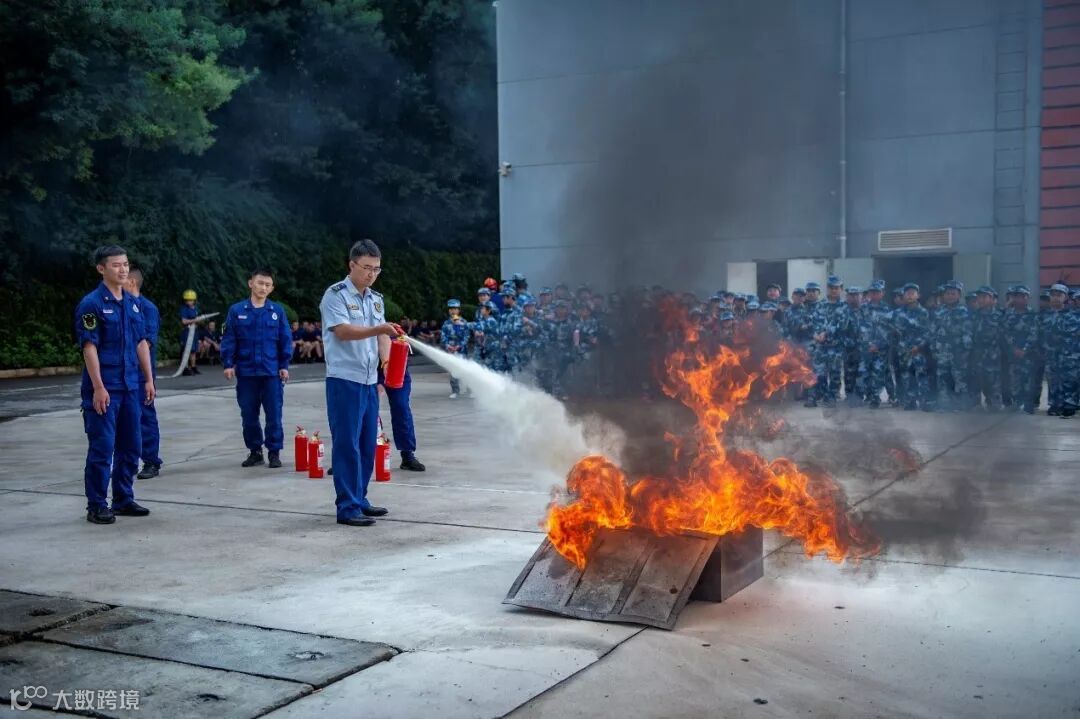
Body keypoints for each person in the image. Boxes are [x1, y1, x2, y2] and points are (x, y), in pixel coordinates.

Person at [320, 240, 404, 526]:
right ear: (352, 265)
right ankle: (347, 507)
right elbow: (343, 331)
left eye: (376, 269)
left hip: (369, 381)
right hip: (344, 379)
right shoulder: (335, 295)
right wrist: (379, 328)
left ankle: (360, 498)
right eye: (367, 267)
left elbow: (383, 336)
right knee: (347, 444)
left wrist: (387, 361)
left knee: (367, 443)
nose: (371, 274)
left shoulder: (375, 299)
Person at [75, 245, 156, 524]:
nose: (123, 270)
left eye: (125, 264)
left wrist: (148, 379)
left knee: (131, 446)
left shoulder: (133, 304)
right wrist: (98, 387)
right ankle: (97, 504)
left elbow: (141, 343)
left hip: (131, 387)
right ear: (101, 269)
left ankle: (123, 499)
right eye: (116, 265)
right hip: (105, 388)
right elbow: (89, 347)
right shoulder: (92, 304)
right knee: (102, 448)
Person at [220, 268, 293, 468]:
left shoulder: (277, 311)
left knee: (274, 415)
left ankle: (274, 452)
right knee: (249, 415)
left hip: (271, 373)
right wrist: (228, 363)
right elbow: (229, 339)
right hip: (246, 373)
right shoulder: (237, 311)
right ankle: (255, 451)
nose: (263, 287)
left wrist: (284, 365)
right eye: (260, 283)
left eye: (267, 285)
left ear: (272, 288)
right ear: (251, 283)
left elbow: (285, 340)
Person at [124, 269, 163, 480]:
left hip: (139, 373)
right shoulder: (118, 305)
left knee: (145, 417)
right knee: (123, 419)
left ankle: (151, 461)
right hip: (120, 373)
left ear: (131, 282)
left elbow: (146, 342)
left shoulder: (147, 308)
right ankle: (127, 461)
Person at [931, 280, 972, 412]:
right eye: (947, 293)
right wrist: (933, 348)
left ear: (959, 295)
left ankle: (960, 405)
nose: (950, 296)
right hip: (942, 351)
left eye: (953, 293)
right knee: (942, 378)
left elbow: (967, 332)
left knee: (959, 379)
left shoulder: (963, 311)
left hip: (958, 352)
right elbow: (933, 331)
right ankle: (944, 405)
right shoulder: (939, 311)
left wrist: (966, 350)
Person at [893, 283, 932, 411]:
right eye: (907, 293)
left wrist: (919, 347)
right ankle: (910, 401)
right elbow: (894, 331)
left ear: (918, 295)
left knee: (921, 375)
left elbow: (927, 332)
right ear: (903, 296)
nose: (909, 296)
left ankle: (924, 401)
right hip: (904, 350)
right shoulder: (898, 313)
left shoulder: (923, 312)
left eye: (912, 293)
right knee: (906, 375)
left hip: (919, 350)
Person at [1002, 285, 1039, 414]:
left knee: (1028, 381)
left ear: (1027, 298)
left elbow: (1034, 334)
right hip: (1013, 354)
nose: (1020, 299)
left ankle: (1028, 407)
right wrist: (1013, 348)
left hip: (1028, 355)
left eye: (1023, 296)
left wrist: (1024, 349)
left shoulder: (1033, 315)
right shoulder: (1008, 315)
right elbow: (1005, 332)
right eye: (1017, 296)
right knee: (1015, 380)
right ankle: (1017, 404)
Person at [970, 286, 1003, 411]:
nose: (981, 300)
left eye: (984, 297)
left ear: (992, 299)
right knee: (976, 380)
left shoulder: (999, 315)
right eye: (979, 297)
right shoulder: (974, 315)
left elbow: (1004, 336)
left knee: (994, 381)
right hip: (977, 354)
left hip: (993, 355)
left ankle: (994, 404)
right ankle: (976, 405)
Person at [440, 299, 470, 398]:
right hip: (450, 350)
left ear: (459, 310)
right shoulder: (446, 323)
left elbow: (467, 336)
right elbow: (443, 336)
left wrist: (459, 346)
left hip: (462, 350)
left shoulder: (463, 322)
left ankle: (470, 389)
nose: (453, 311)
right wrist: (447, 345)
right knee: (453, 371)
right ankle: (455, 391)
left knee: (466, 370)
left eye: (455, 309)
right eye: (451, 309)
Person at [179, 289, 201, 375]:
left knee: (193, 350)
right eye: (187, 300)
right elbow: (184, 321)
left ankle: (193, 367)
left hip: (195, 331)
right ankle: (185, 368)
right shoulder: (184, 309)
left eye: (191, 300)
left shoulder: (195, 308)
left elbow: (197, 319)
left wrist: (199, 320)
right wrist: (194, 320)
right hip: (187, 332)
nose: (189, 302)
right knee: (187, 350)